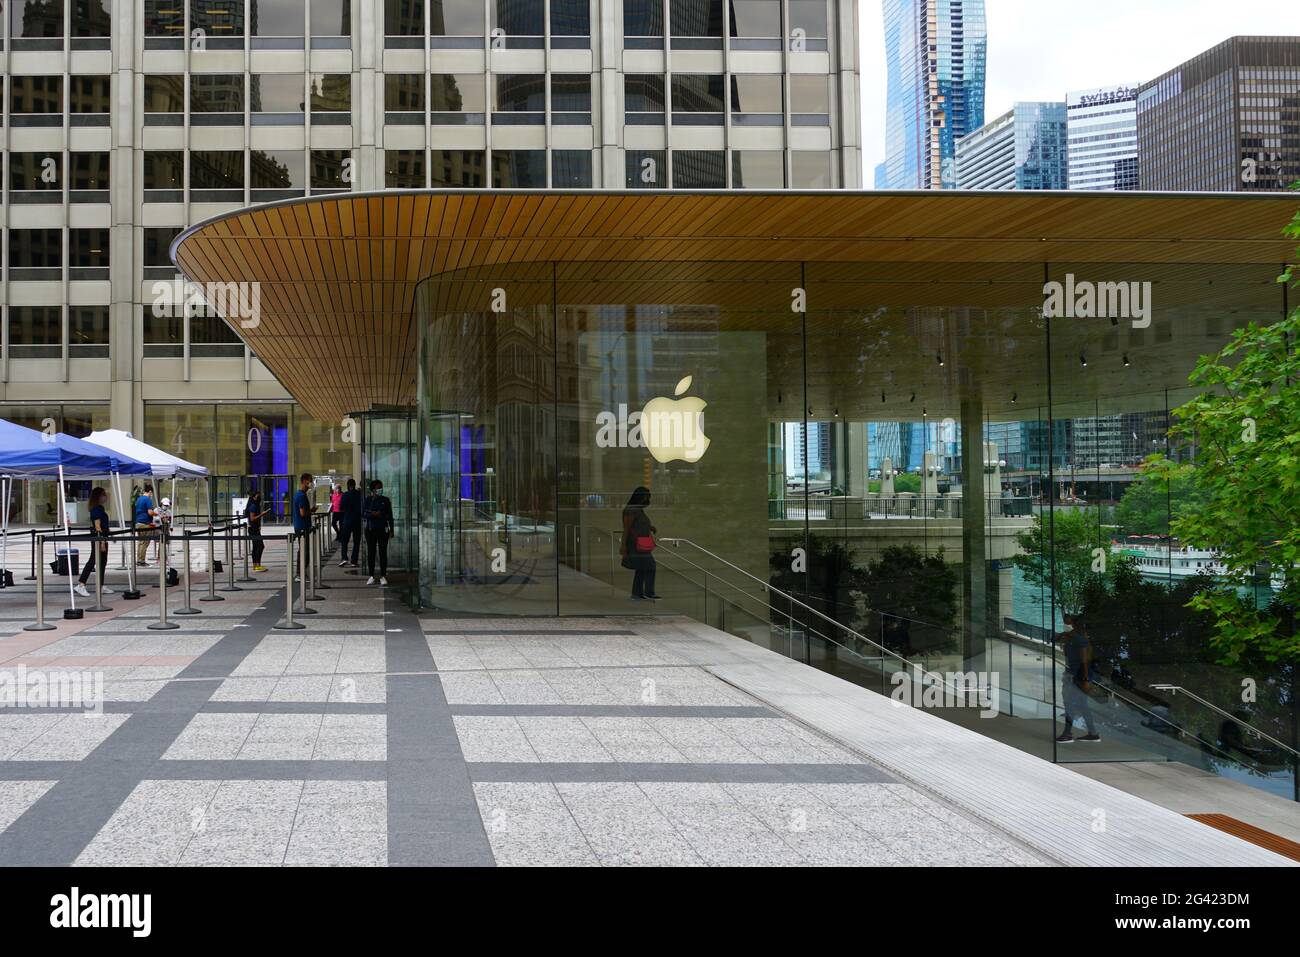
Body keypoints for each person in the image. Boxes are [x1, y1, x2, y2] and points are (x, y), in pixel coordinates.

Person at [1058, 616, 1101, 743]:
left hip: (1077, 677)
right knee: (1082, 705)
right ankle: (1092, 733)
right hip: (1074, 675)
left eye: (1068, 623)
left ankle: (1067, 733)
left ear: (1074, 625)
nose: (1065, 625)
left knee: (1069, 704)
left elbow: (1084, 661)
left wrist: (1085, 679)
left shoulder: (1079, 640)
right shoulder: (1071, 638)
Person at [620, 486, 660, 601]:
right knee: (650, 566)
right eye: (645, 497)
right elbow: (627, 528)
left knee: (642, 568)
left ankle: (637, 593)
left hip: (641, 543)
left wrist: (650, 527)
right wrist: (623, 546)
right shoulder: (631, 510)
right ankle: (648, 592)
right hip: (635, 544)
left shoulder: (638, 509)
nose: (647, 500)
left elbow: (639, 524)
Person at [74, 487, 113, 598]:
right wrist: (101, 542)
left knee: (102, 561)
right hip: (99, 537)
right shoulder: (96, 509)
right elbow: (97, 526)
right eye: (104, 494)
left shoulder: (99, 508)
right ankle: (81, 584)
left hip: (103, 537)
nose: (106, 496)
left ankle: (100, 585)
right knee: (93, 560)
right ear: (99, 496)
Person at [363, 479, 394, 586]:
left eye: (381, 487)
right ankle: (371, 575)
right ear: (373, 490)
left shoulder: (385, 500)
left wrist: (392, 529)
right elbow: (364, 513)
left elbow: (389, 515)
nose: (380, 489)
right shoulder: (368, 500)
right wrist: (373, 514)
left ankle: (383, 575)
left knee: (382, 553)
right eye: (378, 488)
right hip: (370, 530)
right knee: (371, 553)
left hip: (382, 530)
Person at [338, 478, 362, 568]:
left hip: (347, 521)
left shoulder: (345, 495)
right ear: (355, 485)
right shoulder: (359, 494)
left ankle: (344, 558)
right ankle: (354, 561)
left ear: (348, 486)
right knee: (356, 542)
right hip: (357, 521)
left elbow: (341, 508)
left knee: (344, 541)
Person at [245, 488, 269, 572]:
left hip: (254, 528)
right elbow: (252, 518)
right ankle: (257, 565)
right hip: (253, 529)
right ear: (254, 497)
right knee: (260, 546)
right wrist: (262, 514)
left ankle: (256, 565)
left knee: (256, 546)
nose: (260, 497)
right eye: (258, 495)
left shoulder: (254, 504)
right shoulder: (253, 505)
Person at [133, 482, 157, 567]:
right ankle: (142, 561)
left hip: (138, 523)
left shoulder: (139, 499)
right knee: (145, 543)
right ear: (150, 491)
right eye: (151, 493)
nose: (151, 495)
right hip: (145, 524)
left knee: (140, 542)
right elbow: (150, 512)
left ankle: (139, 560)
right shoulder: (147, 500)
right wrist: (157, 514)